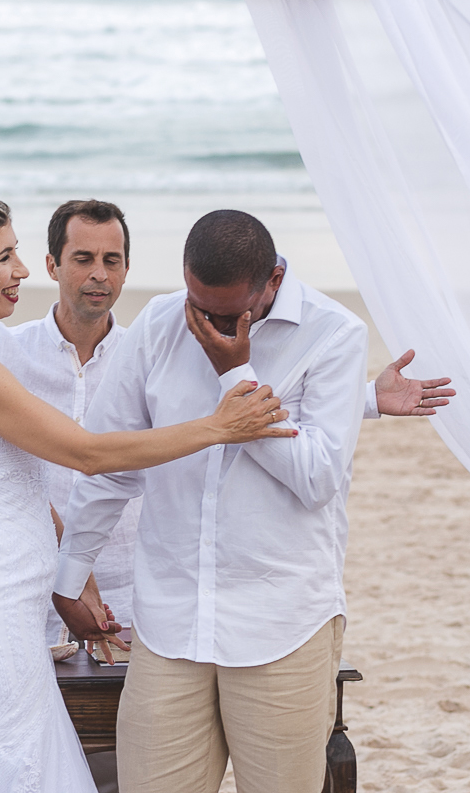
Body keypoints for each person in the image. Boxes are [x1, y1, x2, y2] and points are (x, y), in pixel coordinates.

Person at [0, 198, 455, 793]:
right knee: (15, 760)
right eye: (16, 258)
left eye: (114, 260)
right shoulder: (2, 356)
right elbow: (95, 454)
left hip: (190, 605)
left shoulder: (279, 334)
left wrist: (355, 399)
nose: (31, 271)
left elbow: (298, 450)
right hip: (37, 602)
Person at [52, 209, 372, 793]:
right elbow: (111, 461)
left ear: (272, 280)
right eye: (198, 306)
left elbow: (318, 478)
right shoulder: (159, 322)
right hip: (170, 623)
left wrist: (235, 375)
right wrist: (70, 575)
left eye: (227, 313)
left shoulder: (334, 334)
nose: (207, 324)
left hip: (282, 622)